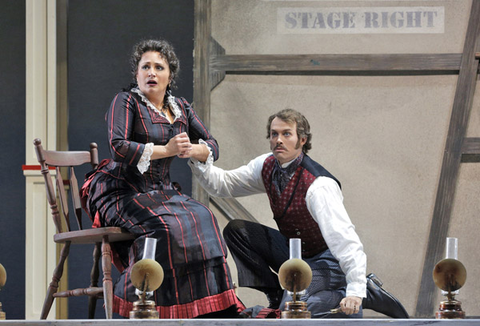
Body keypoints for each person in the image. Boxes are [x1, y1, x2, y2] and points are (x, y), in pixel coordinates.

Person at [189, 108, 409, 318]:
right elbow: (224, 185)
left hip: (328, 261)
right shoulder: (266, 165)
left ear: (302, 140)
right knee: (238, 231)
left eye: (287, 134)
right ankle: (275, 294)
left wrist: (355, 289)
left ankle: (363, 295)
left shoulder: (318, 186)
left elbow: (345, 240)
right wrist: (197, 157)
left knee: (295, 308)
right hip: (294, 254)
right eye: (274, 134)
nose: (279, 140)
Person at [81, 39, 244, 318]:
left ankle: (206, 310)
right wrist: (167, 149)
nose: (151, 73)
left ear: (170, 76)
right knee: (164, 227)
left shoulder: (180, 108)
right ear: (137, 74)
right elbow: (118, 146)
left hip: (161, 191)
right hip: (121, 189)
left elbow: (212, 144)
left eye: (159, 67)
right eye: (145, 67)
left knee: (204, 218)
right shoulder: (127, 101)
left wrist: (194, 149)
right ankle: (139, 304)